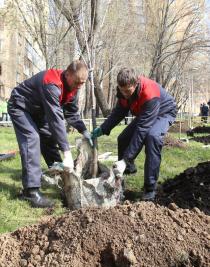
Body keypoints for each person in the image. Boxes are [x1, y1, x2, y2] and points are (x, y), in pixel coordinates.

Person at [8, 60, 93, 208]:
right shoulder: (51, 83)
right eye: (77, 82)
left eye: (82, 83)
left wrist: (84, 130)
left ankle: (59, 176)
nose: (79, 86)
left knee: (48, 136)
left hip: (37, 111)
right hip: (20, 106)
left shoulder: (73, 86)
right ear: (67, 74)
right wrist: (66, 153)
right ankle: (31, 192)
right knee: (32, 138)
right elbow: (55, 119)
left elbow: (71, 113)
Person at [92, 68, 177, 201]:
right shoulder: (123, 93)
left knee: (152, 137)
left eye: (128, 91)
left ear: (136, 84)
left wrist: (125, 159)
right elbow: (118, 113)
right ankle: (127, 171)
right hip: (145, 113)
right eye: (122, 90)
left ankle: (150, 188)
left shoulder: (149, 93)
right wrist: (103, 128)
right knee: (123, 138)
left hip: (164, 111)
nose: (125, 94)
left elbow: (141, 131)